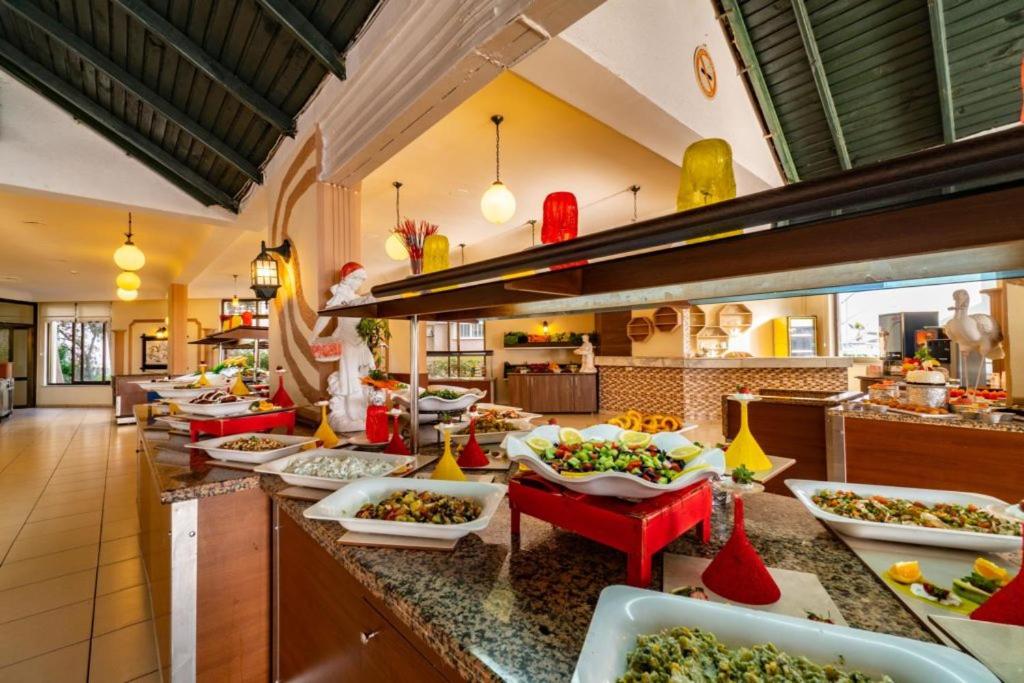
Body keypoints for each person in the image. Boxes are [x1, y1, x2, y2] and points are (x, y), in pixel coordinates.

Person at [311, 262, 375, 432]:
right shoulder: (341, 295)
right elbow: (325, 316)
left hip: (360, 341)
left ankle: (363, 413)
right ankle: (350, 416)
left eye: (362, 279)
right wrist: (313, 336)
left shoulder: (355, 296)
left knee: (365, 374)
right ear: (347, 278)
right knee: (350, 377)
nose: (359, 282)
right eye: (357, 278)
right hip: (347, 341)